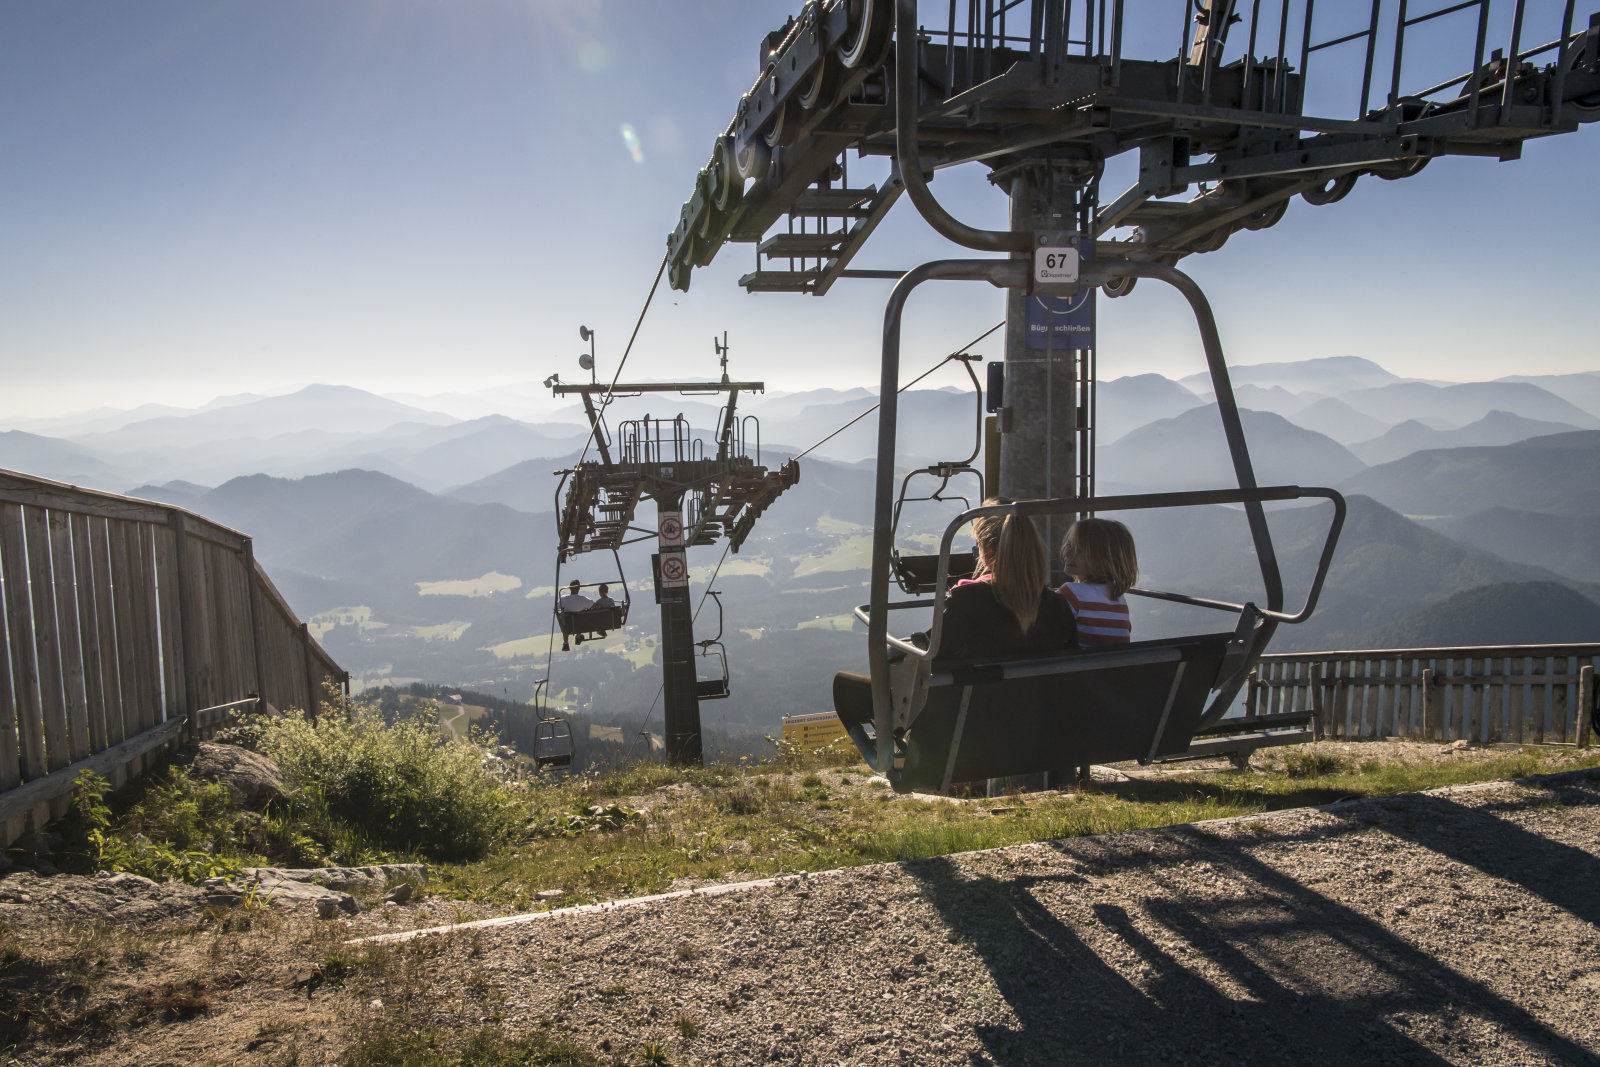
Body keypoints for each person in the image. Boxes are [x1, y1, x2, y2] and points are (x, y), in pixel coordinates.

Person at [833, 501, 1076, 728]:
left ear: (988, 554)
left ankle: (890, 754)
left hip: (970, 729)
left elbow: (932, 658)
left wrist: (898, 649)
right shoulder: (1059, 607)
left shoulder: (968, 601)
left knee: (847, 686)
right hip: (1041, 729)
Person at [1058, 517, 1138, 647]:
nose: (1067, 553)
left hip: (1083, 666)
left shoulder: (1071, 593)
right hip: (1113, 666)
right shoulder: (1118, 598)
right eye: (1068, 545)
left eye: (1079, 550)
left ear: (1102, 559)